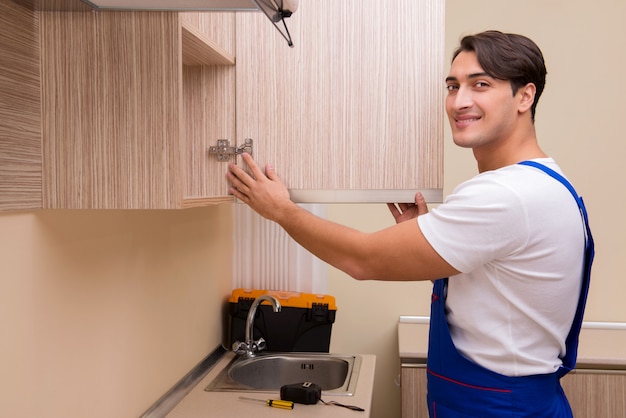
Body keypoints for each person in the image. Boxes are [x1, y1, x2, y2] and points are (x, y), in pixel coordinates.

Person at [226, 30, 593, 417]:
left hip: (500, 407)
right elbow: (506, 290)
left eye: (480, 84)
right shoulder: (545, 181)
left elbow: (362, 260)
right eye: (452, 86)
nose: (459, 101)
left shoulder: (506, 194)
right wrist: (434, 240)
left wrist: (281, 210)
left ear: (525, 96)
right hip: (515, 400)